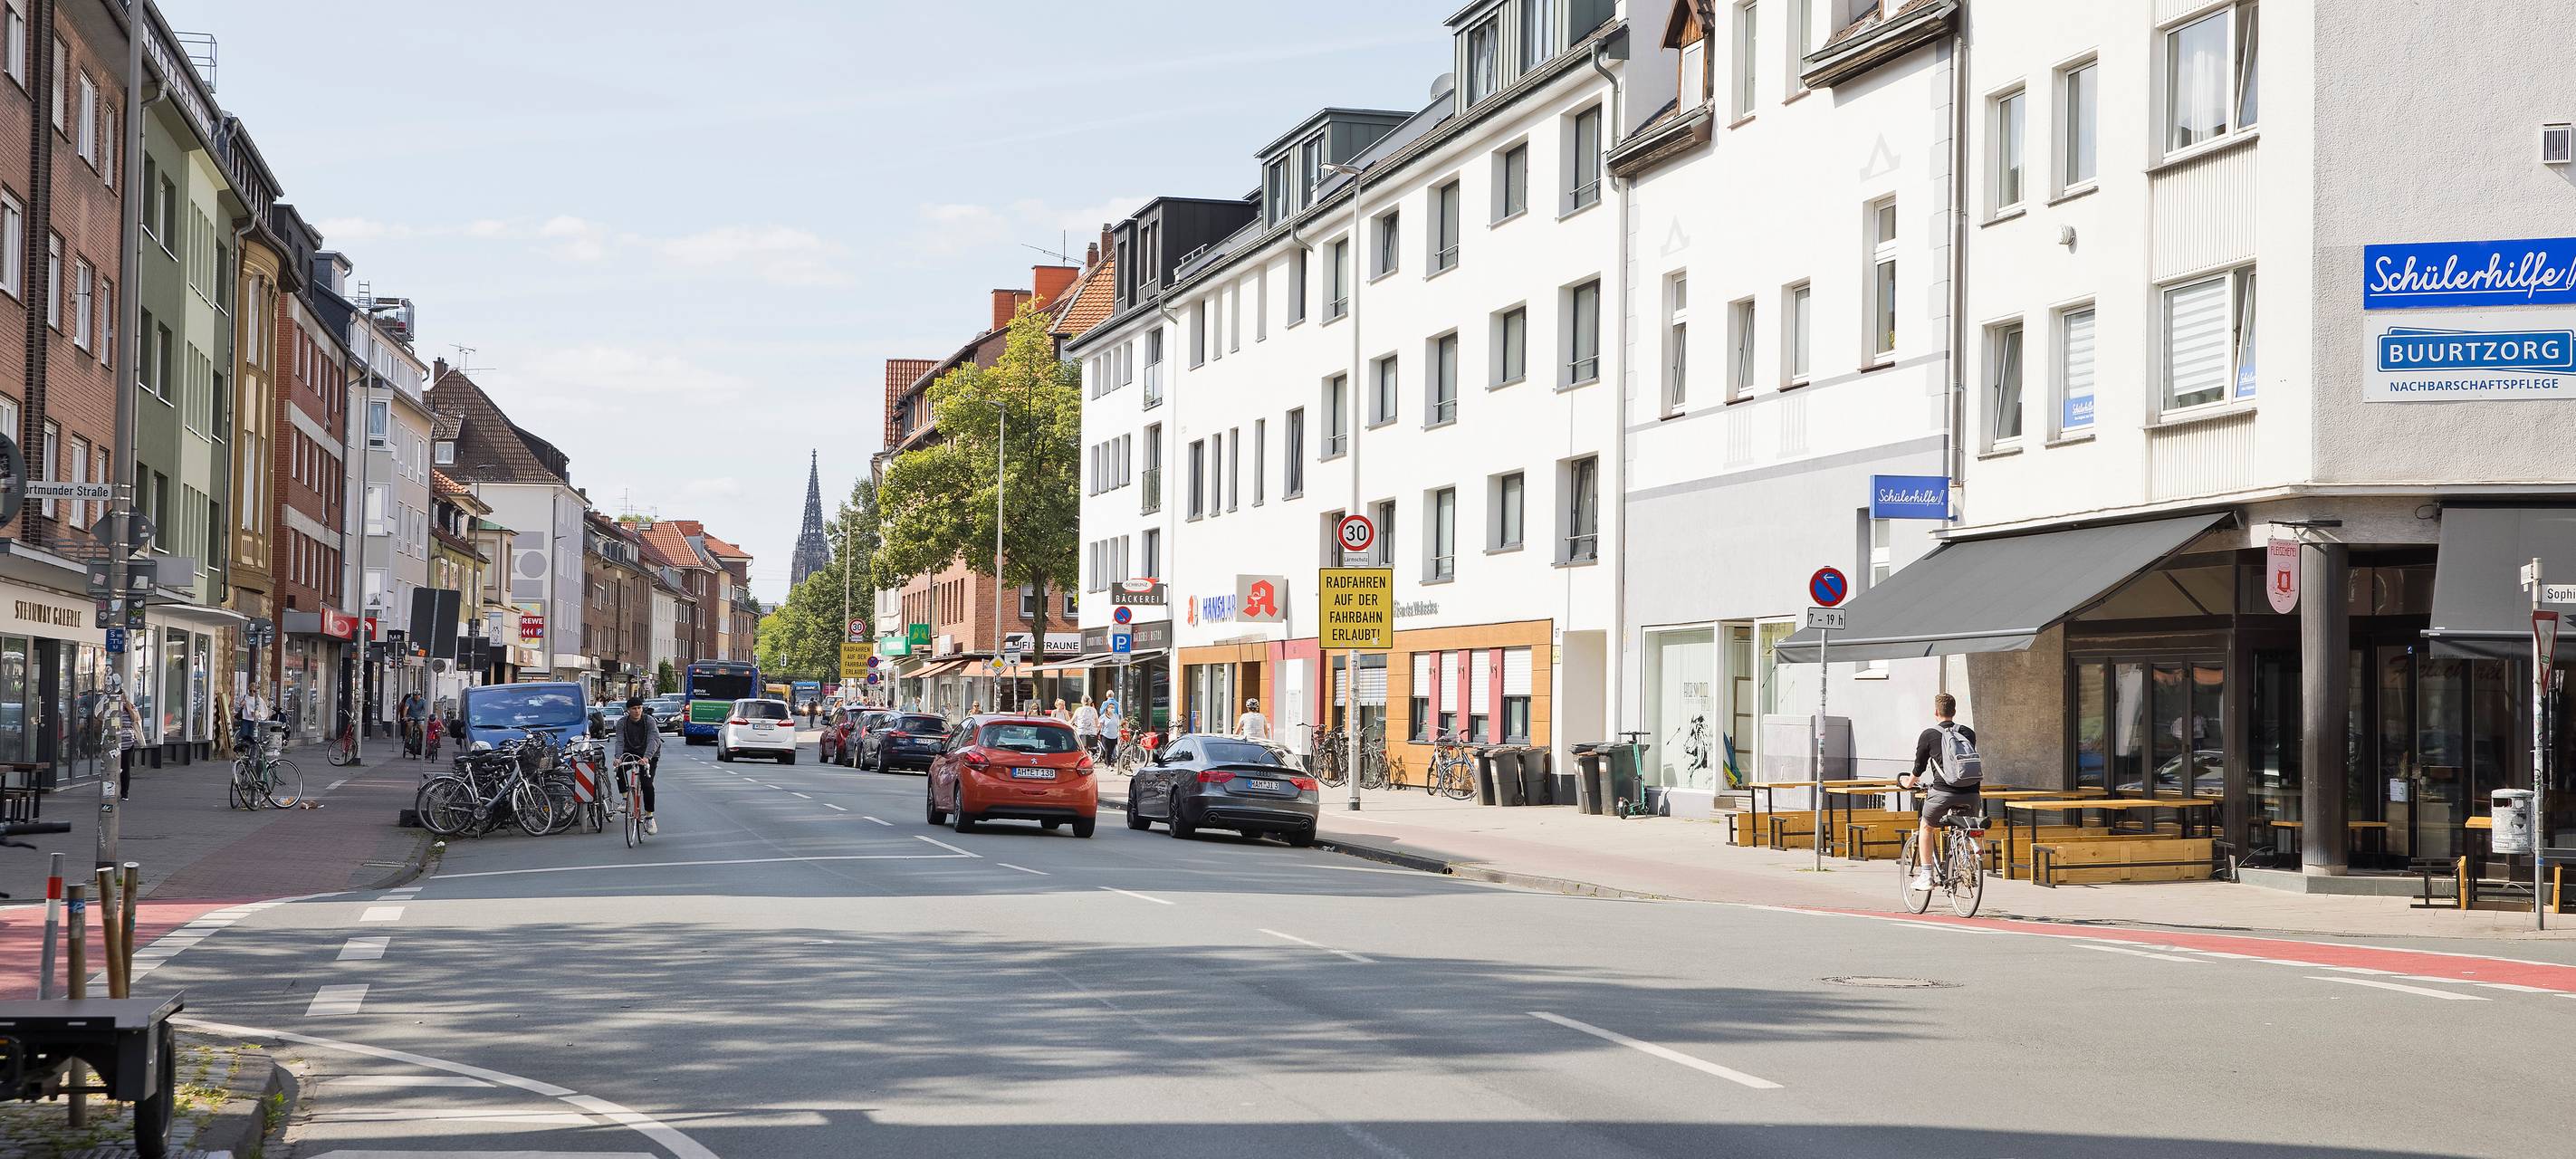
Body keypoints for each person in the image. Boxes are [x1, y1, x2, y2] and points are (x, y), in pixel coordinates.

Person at [1901, 693, 1982, 892]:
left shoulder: (1929, 735)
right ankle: (1967, 859)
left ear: (1936, 712)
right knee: (1966, 826)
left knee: (1926, 826)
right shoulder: (1968, 733)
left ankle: (1927, 875)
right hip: (1972, 793)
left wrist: (1908, 783)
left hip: (1943, 792)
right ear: (1954, 711)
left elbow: (1919, 768)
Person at [610, 694, 664, 835]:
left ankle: (649, 816)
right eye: (634, 708)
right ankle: (625, 798)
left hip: (649, 754)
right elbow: (620, 741)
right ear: (628, 710)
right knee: (619, 768)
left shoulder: (649, 721)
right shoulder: (622, 723)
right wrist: (618, 758)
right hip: (630, 751)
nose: (637, 711)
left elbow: (654, 739)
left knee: (647, 784)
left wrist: (647, 757)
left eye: (639, 708)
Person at [1071, 695, 1099, 760]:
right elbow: (1097, 721)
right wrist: (1097, 729)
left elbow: (1072, 720)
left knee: (1081, 749)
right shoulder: (1093, 710)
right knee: (1091, 750)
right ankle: (1090, 758)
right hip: (1092, 732)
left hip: (1081, 732)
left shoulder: (1078, 710)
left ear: (1082, 701)